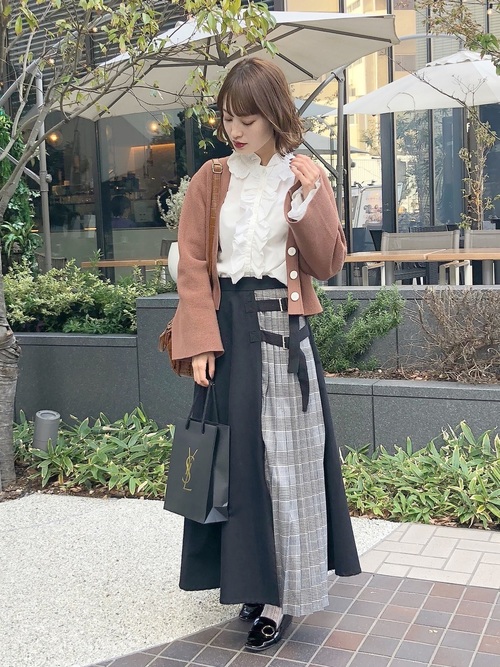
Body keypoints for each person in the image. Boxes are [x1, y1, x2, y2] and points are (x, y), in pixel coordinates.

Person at [170, 57, 360, 652]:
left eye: (247, 119)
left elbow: (327, 263)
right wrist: (199, 341)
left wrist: (311, 196)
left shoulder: (302, 176)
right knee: (235, 465)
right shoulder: (210, 179)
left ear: (275, 116)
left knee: (285, 465)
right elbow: (193, 265)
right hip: (226, 332)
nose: (235, 130)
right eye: (228, 118)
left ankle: (279, 597)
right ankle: (249, 584)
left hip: (283, 332)